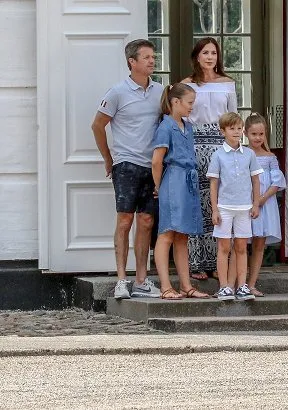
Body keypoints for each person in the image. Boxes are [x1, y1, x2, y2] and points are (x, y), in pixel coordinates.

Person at [91, 39, 163, 299]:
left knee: (146, 222)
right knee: (125, 220)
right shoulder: (117, 92)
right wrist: (109, 158)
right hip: (126, 164)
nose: (152, 61)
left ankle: (142, 279)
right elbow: (97, 125)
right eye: (146, 57)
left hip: (152, 166)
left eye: (153, 57)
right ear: (132, 62)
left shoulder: (160, 92)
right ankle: (122, 279)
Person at [182, 37, 238, 281]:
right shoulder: (186, 85)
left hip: (220, 143)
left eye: (214, 53)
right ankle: (195, 263)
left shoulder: (228, 84)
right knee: (197, 203)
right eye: (205, 52)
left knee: (220, 203)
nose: (210, 57)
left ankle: (218, 263)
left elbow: (234, 117)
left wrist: (235, 148)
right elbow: (181, 116)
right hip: (194, 143)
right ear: (197, 56)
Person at [151, 83, 210, 300]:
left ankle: (186, 285)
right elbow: (157, 161)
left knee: (182, 236)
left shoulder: (188, 127)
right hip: (173, 181)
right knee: (167, 233)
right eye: (190, 103)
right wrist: (159, 186)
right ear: (175, 102)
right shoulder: (166, 127)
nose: (192, 107)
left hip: (188, 182)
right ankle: (166, 286)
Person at [207, 112, 263, 301]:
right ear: (223, 131)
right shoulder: (218, 155)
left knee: (241, 247)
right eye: (232, 129)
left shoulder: (249, 154)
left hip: (244, 208)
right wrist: (214, 209)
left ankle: (242, 285)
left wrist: (255, 203)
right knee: (224, 247)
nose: (237, 132)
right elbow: (213, 183)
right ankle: (224, 286)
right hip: (224, 207)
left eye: (239, 128)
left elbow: (256, 180)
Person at [244, 113, 287, 296]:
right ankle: (240, 281)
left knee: (259, 244)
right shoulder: (242, 154)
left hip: (264, 204)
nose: (258, 138)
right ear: (246, 133)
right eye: (254, 134)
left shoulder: (270, 157)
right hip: (245, 204)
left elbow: (276, 182)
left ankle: (252, 283)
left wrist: (261, 199)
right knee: (240, 243)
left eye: (261, 134)